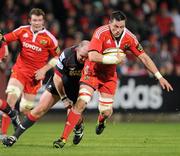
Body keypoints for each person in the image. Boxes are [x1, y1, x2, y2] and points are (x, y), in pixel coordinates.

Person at [51, 10, 173, 148]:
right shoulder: (100, 33)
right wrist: (113, 59)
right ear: (109, 23)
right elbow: (92, 56)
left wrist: (159, 77)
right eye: (115, 26)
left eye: (121, 27)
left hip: (108, 77)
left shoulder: (129, 37)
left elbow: (144, 57)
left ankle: (101, 120)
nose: (118, 30)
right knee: (82, 101)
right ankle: (63, 139)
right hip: (92, 71)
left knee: (107, 112)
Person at [2, 40, 90, 147]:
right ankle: (14, 137)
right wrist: (64, 98)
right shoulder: (67, 54)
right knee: (39, 109)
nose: (84, 59)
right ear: (77, 49)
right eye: (82, 56)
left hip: (77, 86)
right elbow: (57, 78)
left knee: (72, 115)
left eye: (87, 57)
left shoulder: (93, 57)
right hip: (60, 82)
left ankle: (79, 126)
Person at [0, 8, 60, 140]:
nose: (37, 23)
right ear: (30, 20)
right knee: (11, 98)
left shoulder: (50, 39)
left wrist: (44, 70)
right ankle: (3, 133)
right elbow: (4, 38)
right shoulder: (22, 30)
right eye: (34, 20)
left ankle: (15, 117)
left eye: (39, 20)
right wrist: (4, 47)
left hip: (34, 78)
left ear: (43, 21)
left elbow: (57, 58)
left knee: (25, 110)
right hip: (20, 71)